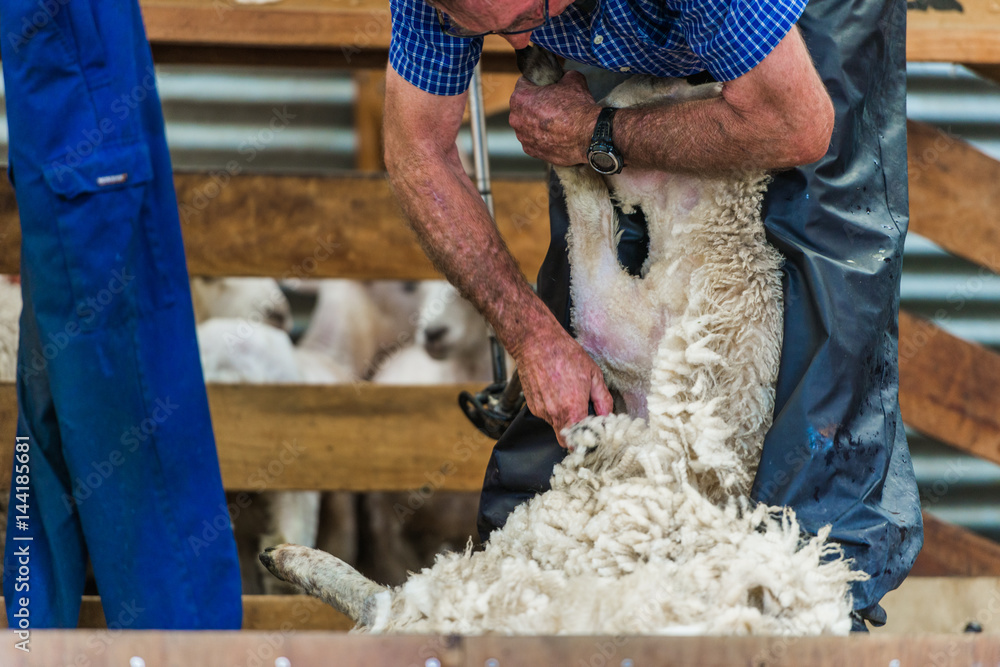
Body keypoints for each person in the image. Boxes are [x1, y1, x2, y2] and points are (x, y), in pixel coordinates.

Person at [385, 0, 922, 629]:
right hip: (631, 21)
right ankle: (541, 584)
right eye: (491, 30)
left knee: (819, 274)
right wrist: (533, 339)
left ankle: (797, 600)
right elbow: (417, 149)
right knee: (591, 266)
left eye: (527, 13)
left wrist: (602, 133)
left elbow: (797, 125)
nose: (523, 39)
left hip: (803, 31)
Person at [1, 1, 242, 628]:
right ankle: (183, 649)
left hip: (76, 131)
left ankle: (30, 638)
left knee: (49, 417)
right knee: (142, 422)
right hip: (87, 143)